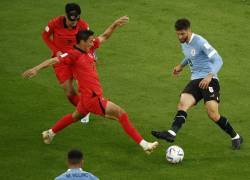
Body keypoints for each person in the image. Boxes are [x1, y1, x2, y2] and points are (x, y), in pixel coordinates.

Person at [23, 16, 159, 154]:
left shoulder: (89, 48)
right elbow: (54, 60)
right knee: (121, 114)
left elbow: (104, 36)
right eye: (89, 41)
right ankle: (145, 145)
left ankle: (49, 133)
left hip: (86, 98)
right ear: (81, 42)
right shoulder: (73, 54)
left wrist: (115, 24)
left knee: (75, 116)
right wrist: (36, 69)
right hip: (92, 98)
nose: (92, 42)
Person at [152, 18, 243, 150]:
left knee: (213, 114)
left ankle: (235, 137)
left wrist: (209, 76)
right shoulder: (184, 42)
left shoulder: (200, 42)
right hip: (195, 80)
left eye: (182, 34)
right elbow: (190, 55)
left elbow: (218, 60)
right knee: (183, 103)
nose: (180, 37)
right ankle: (171, 133)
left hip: (210, 80)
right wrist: (181, 66)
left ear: (189, 30)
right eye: (177, 34)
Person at [42, 2, 90, 123]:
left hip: (77, 58)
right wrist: (56, 50)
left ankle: (85, 111)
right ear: (66, 15)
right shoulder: (55, 23)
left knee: (85, 87)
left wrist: (92, 54)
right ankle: (84, 109)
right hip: (61, 61)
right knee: (69, 92)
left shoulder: (83, 25)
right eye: (70, 20)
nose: (72, 23)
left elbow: (90, 41)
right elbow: (45, 36)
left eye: (75, 21)